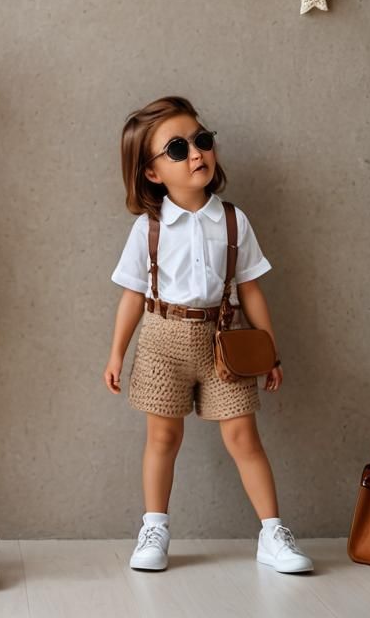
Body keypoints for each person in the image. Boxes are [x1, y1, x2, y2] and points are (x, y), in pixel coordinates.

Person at [103, 96, 313, 574]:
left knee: (244, 437)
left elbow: (251, 290)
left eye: (202, 140)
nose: (196, 153)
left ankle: (272, 532)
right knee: (162, 438)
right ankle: (154, 527)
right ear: (152, 172)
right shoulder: (148, 227)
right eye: (177, 148)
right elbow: (132, 296)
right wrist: (116, 353)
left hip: (224, 341)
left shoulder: (235, 221)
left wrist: (269, 348)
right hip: (161, 341)